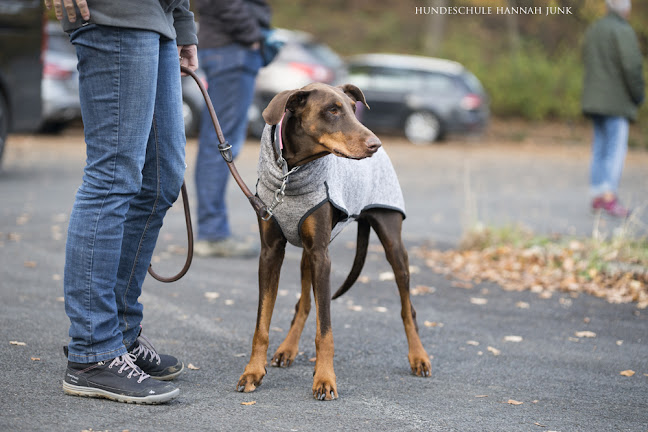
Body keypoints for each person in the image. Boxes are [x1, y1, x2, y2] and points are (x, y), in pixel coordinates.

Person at [45, 0, 198, 404]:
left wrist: (181, 22)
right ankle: (93, 351)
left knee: (162, 177)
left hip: (158, 19)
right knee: (112, 176)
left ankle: (121, 333)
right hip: (113, 13)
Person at [193, 0, 271, 257]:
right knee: (221, 145)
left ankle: (212, 230)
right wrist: (251, 35)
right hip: (232, 48)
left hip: (228, 48)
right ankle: (212, 233)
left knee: (217, 143)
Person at [581, 0, 644, 218]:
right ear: (625, 9)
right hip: (616, 102)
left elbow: (586, 60)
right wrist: (638, 95)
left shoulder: (594, 29)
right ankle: (609, 196)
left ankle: (598, 194)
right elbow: (632, 66)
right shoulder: (622, 30)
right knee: (615, 148)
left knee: (599, 146)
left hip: (594, 100)